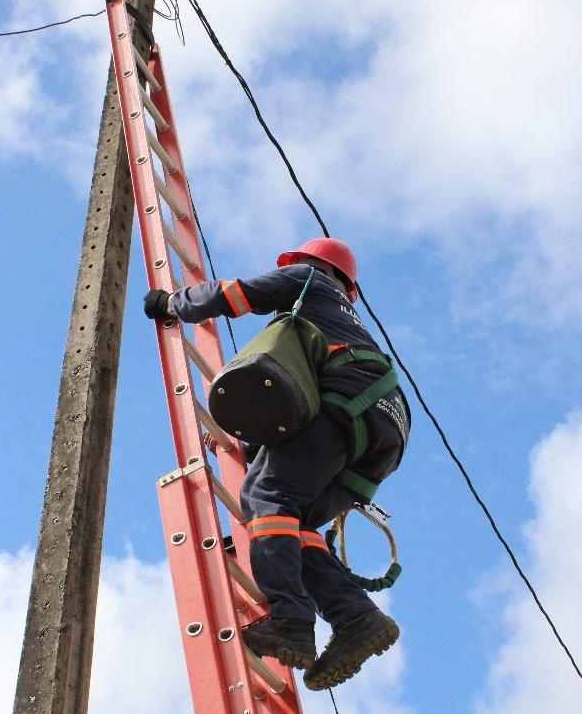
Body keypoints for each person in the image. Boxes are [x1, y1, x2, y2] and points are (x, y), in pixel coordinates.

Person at [143, 237, 410, 691]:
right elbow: (298, 451)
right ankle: (356, 618)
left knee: (266, 497)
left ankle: (290, 619)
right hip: (387, 427)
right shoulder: (343, 322)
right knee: (294, 520)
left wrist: (172, 302)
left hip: (345, 405)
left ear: (309, 264)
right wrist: (243, 448)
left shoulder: (306, 280)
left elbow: (235, 295)